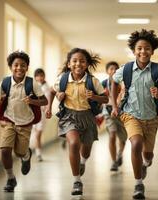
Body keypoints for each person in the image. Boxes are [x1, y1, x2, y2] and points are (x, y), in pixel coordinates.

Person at [111, 29, 158, 199]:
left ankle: (145, 163)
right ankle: (138, 184)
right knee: (136, 143)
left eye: (147, 48)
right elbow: (114, 83)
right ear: (134, 51)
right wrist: (114, 104)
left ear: (152, 51)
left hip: (151, 118)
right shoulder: (126, 69)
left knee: (148, 154)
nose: (143, 51)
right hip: (130, 115)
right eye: (139, 48)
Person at [46, 48, 108, 196]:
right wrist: (50, 106)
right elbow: (51, 91)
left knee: (85, 151)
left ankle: (83, 162)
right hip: (69, 116)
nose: (78, 64)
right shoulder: (62, 80)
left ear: (86, 64)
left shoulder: (93, 81)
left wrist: (93, 96)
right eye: (74, 61)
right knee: (74, 143)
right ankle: (77, 181)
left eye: (82, 61)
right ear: (69, 64)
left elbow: (105, 99)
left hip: (88, 117)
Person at [0, 51, 48, 192]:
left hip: (25, 123)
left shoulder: (32, 83)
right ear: (10, 67)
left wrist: (32, 100)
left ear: (27, 67)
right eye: (16, 65)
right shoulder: (6, 82)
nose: (19, 68)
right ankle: (10, 178)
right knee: (5, 150)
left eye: (23, 65)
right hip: (8, 121)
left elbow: (45, 100)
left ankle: (26, 155)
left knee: (19, 152)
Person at [102, 61, 127, 172]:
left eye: (116, 69)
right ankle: (114, 162)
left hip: (122, 112)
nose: (114, 71)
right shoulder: (103, 83)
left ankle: (119, 155)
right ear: (107, 71)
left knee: (123, 138)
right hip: (108, 112)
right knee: (112, 135)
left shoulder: (123, 83)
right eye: (111, 69)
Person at [30, 68, 51, 162]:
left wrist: (46, 108)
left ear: (44, 76)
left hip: (42, 114)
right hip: (32, 113)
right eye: (37, 76)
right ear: (35, 77)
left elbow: (47, 101)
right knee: (32, 134)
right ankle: (34, 153)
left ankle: (38, 154)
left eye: (41, 75)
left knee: (38, 135)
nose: (40, 77)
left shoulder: (47, 87)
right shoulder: (32, 86)